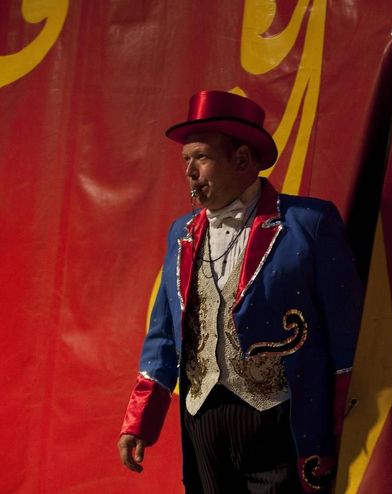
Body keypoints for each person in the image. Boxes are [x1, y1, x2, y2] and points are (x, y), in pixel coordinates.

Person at [117, 90, 364, 493]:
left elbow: (346, 337)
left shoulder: (309, 223)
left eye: (202, 158)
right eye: (185, 160)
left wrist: (335, 429)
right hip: (202, 420)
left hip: (279, 420)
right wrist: (140, 421)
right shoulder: (180, 234)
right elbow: (164, 334)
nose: (190, 171)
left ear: (243, 159)